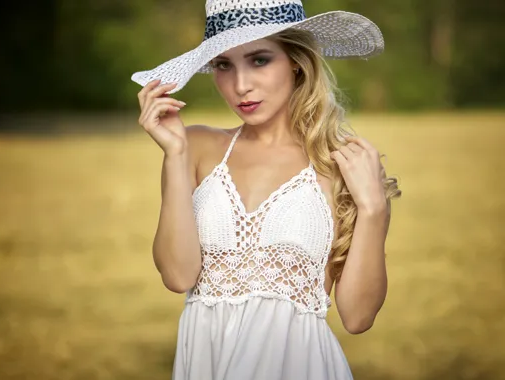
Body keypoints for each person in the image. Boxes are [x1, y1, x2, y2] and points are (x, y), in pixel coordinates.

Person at [132, 1, 401, 379]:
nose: (240, 85)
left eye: (259, 60)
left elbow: (357, 317)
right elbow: (178, 277)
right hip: (207, 364)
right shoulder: (194, 147)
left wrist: (374, 210)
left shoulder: (339, 165)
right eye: (223, 65)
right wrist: (175, 153)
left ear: (295, 60)